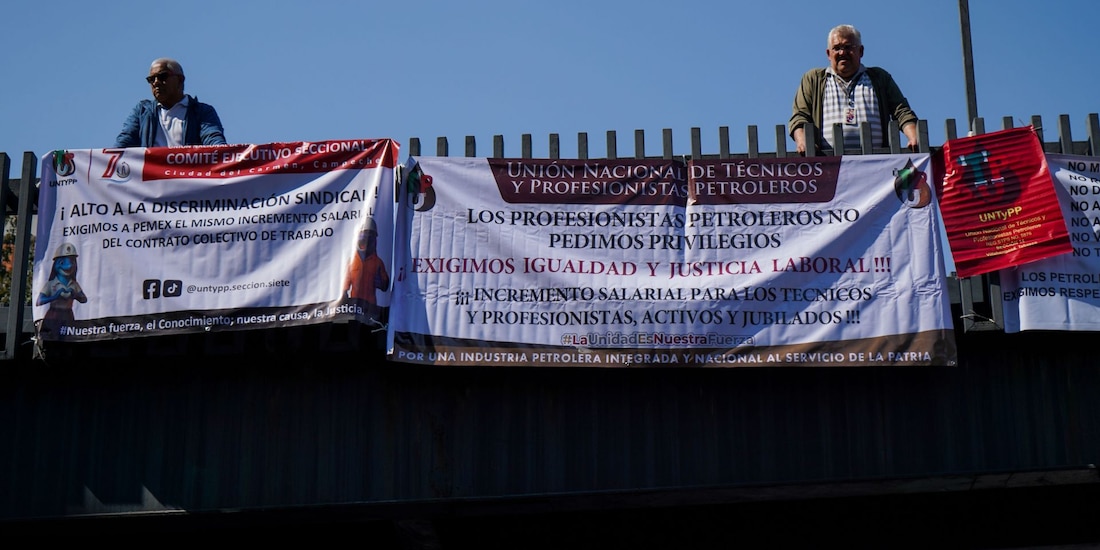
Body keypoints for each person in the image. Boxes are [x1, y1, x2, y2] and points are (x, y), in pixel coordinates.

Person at [789, 24, 918, 155]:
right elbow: (800, 116)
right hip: (829, 164)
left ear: (861, 51)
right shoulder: (814, 79)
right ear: (828, 54)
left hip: (876, 162)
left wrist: (914, 136)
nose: (842, 53)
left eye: (848, 47)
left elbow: (901, 112)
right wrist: (802, 141)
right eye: (836, 48)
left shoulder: (879, 78)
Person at [114, 58, 227, 147]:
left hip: (186, 170)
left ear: (180, 80)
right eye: (151, 79)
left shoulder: (201, 112)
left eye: (162, 76)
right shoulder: (142, 112)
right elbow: (124, 142)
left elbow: (213, 140)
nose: (156, 82)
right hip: (153, 171)